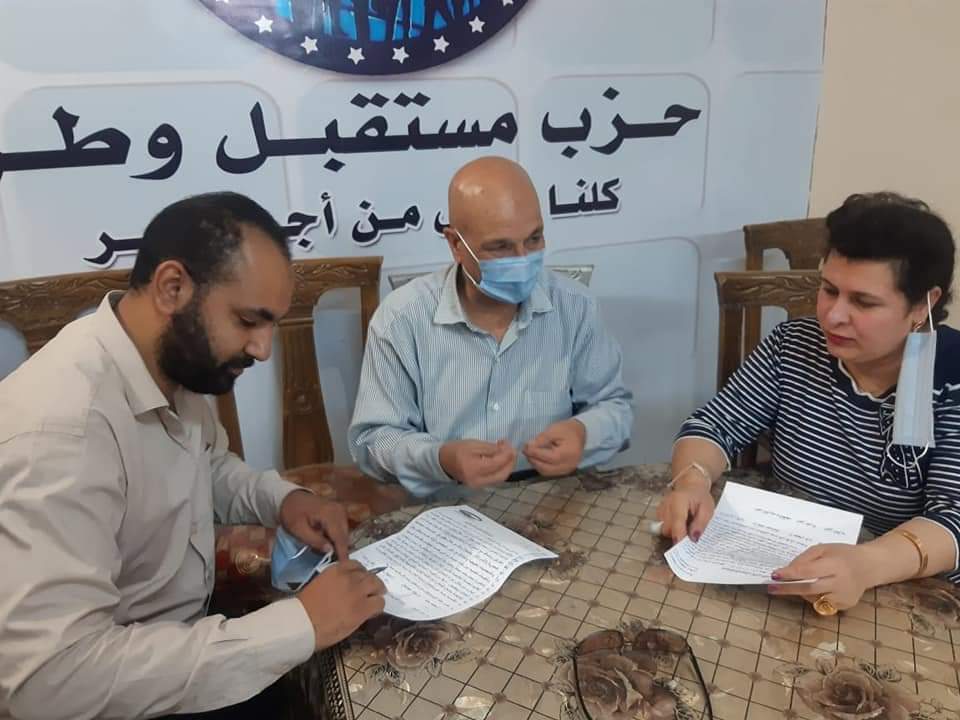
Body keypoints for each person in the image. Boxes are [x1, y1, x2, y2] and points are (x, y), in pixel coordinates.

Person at [0, 192, 386, 719]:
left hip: (185, 645)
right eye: (248, 321)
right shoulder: (60, 432)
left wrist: (282, 500)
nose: (263, 348)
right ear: (172, 288)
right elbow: (52, 682)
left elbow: (206, 464)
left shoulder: (165, 365)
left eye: (270, 324)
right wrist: (299, 625)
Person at [657, 192, 960, 612]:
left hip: (891, 589)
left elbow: (952, 518)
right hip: (778, 566)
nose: (833, 316)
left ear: (923, 305)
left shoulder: (951, 381)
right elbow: (715, 425)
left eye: (863, 302)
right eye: (829, 290)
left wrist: (864, 565)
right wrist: (692, 481)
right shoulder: (795, 345)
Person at [348, 156, 633, 497]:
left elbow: (615, 408)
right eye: (500, 247)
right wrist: (440, 459)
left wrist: (584, 433)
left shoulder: (575, 307)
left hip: (555, 500)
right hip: (448, 505)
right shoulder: (401, 319)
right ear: (456, 244)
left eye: (534, 239)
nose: (523, 258)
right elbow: (373, 441)